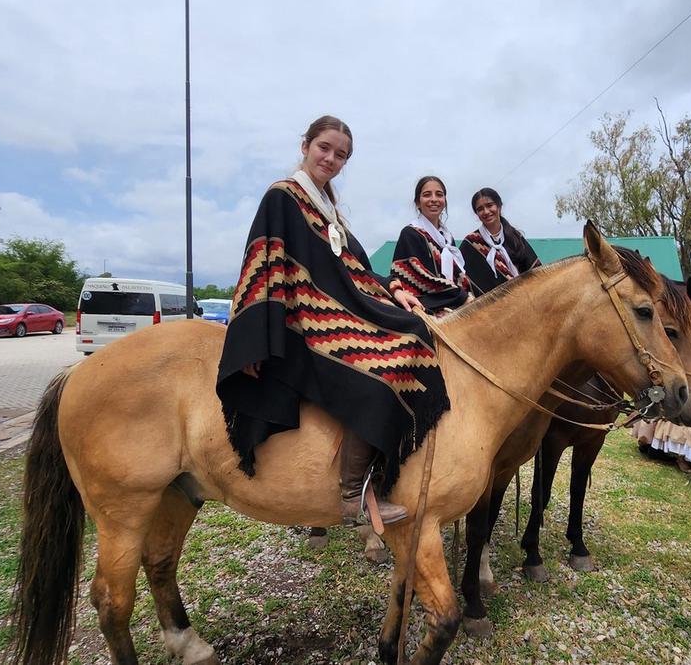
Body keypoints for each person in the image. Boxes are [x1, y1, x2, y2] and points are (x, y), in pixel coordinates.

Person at [216, 116, 451, 528]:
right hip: (305, 318)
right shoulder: (283, 196)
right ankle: (353, 494)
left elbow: (355, 268)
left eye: (341, 155)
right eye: (324, 148)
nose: (331, 158)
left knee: (415, 328)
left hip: (336, 310)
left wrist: (395, 290)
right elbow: (260, 263)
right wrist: (252, 336)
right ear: (305, 145)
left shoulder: (329, 209)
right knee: (386, 362)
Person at [390, 176, 472, 314]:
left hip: (457, 303)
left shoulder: (447, 239)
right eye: (427, 195)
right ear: (417, 202)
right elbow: (419, 278)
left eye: (439, 195)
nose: (434, 199)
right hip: (426, 307)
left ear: (444, 201)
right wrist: (461, 296)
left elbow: (458, 274)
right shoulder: (410, 234)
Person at [459, 187, 541, 295]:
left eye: (489, 205)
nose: (486, 212)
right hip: (489, 308)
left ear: (499, 206)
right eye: (480, 209)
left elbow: (537, 273)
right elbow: (461, 279)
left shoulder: (515, 237)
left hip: (523, 301)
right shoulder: (471, 243)